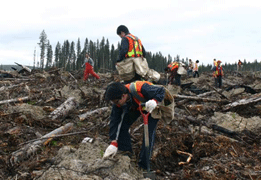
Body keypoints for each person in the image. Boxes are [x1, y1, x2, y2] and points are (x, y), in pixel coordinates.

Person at [103, 81, 165, 170]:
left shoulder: (141, 88)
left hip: (152, 106)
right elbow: (115, 121)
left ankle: (143, 166)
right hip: (136, 106)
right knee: (123, 127)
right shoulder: (118, 102)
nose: (116, 104)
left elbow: (161, 90)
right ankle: (127, 153)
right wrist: (113, 142)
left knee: (148, 134)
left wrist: (154, 101)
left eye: (116, 102)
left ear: (123, 95)